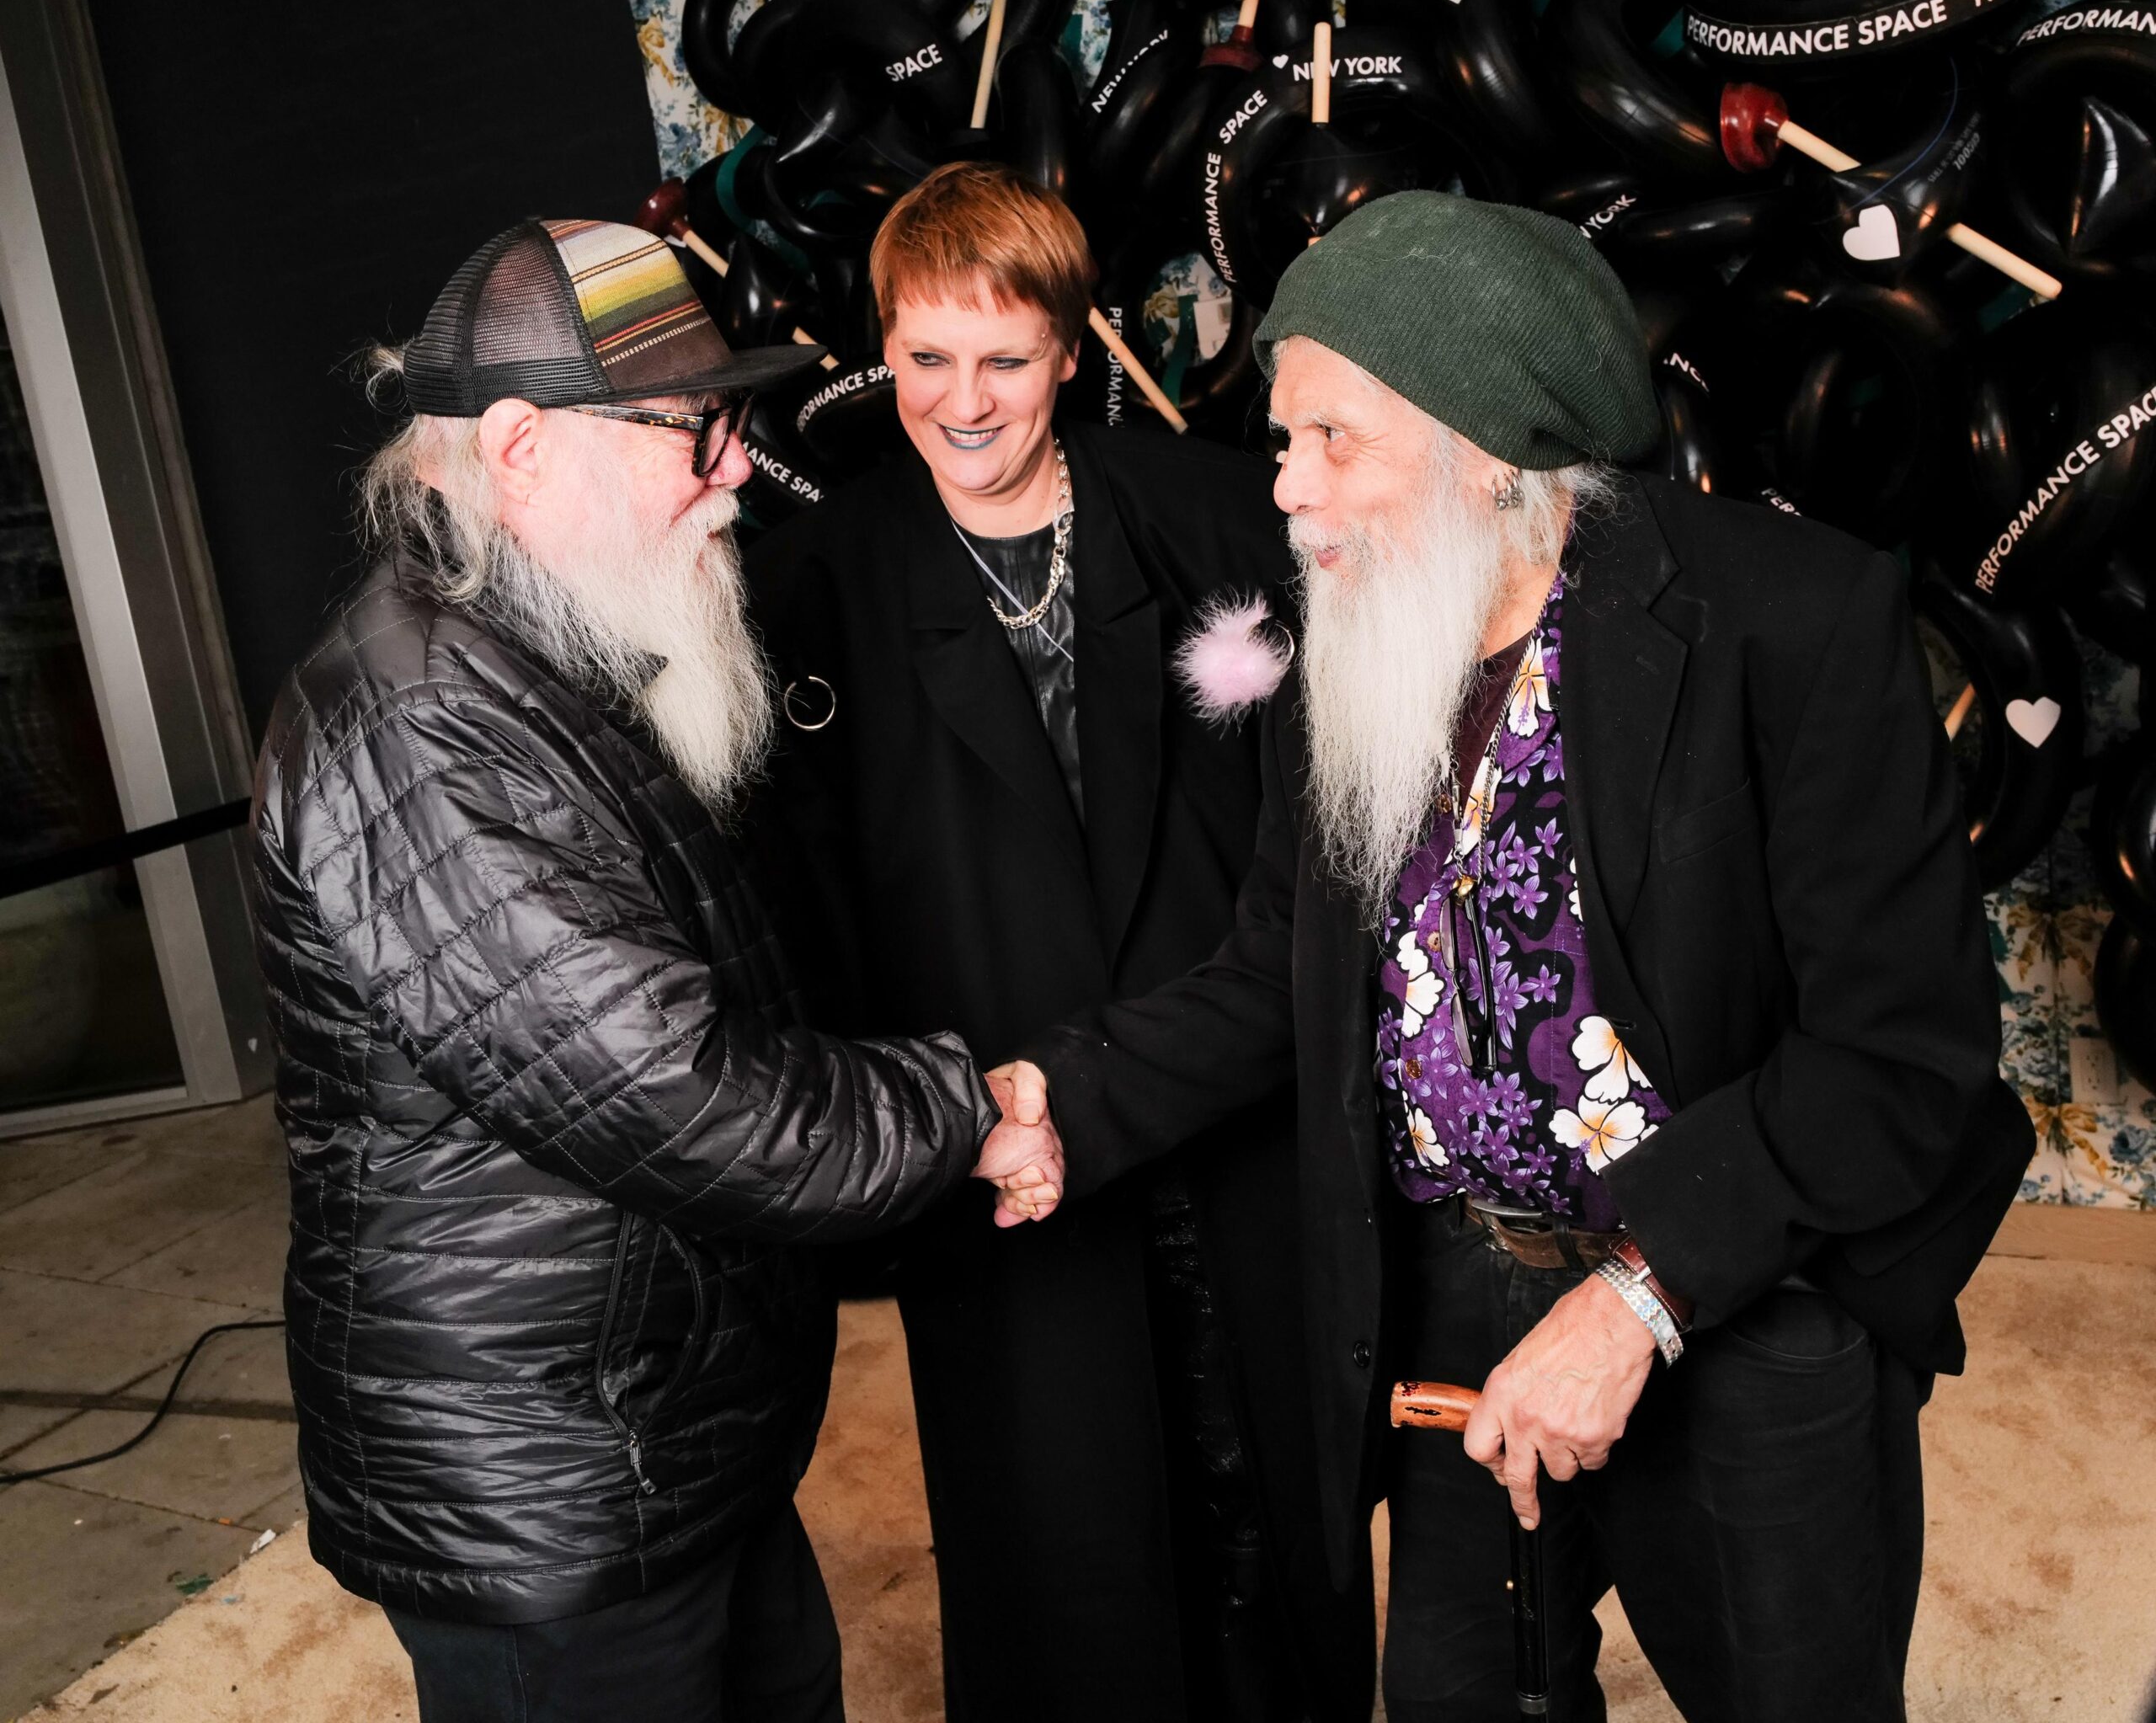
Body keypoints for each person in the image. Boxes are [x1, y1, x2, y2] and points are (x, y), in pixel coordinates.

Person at [994, 192, 2034, 1722]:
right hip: (1458, 1290)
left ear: (1492, 449)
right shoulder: (1353, 633)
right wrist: (1058, 1098)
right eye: (1285, 441)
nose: (1288, 494)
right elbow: (1278, 965)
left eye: (1333, 441)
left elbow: (1900, 1055)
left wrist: (1639, 1304)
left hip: (1733, 1289)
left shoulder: (1792, 625)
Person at [248, 217, 1060, 1723]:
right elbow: (674, 1092)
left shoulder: (539, 649)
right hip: (551, 1501)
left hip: (656, 1447)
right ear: (519, 448)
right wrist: (972, 1105)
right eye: (691, 428)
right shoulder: (413, 723)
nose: (735, 468)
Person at [745, 163, 1370, 1723]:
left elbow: (1314, 841)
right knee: (1062, 1554)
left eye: (1004, 359)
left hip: (1233, 1110)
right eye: (924, 359)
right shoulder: (808, 597)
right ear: (881, 350)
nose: (963, 403)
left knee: (1274, 1519)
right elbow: (812, 919)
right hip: (998, 1156)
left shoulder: (1234, 524)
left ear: (1075, 349)